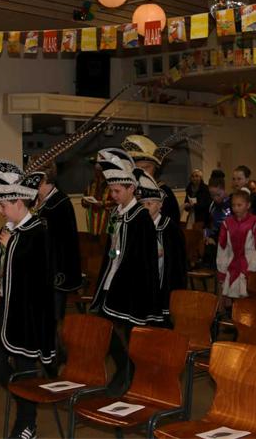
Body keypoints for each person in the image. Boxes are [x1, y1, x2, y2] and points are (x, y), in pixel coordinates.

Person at [0, 160, 56, 439]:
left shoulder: (38, 230)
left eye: (3, 205)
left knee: (25, 365)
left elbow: (39, 274)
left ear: (19, 202)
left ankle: (27, 423)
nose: (0, 210)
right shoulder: (10, 230)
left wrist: (13, 247)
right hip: (2, 307)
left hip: (26, 313)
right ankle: (25, 399)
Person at [90, 148, 162, 395]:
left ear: (132, 188)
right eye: (111, 191)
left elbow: (144, 259)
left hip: (133, 284)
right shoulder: (116, 213)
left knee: (133, 333)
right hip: (112, 279)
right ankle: (123, 367)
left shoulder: (141, 218)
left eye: (117, 191)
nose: (113, 195)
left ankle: (133, 377)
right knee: (103, 326)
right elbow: (112, 249)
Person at [32, 162, 82, 362]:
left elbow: (65, 243)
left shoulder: (61, 203)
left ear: (44, 178)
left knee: (53, 318)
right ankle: (47, 354)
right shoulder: (37, 201)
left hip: (56, 271)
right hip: (40, 270)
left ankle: (55, 359)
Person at [137, 169, 187, 318]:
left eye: (150, 203)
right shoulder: (140, 226)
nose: (146, 207)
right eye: (142, 204)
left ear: (160, 205)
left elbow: (177, 259)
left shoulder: (169, 227)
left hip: (165, 279)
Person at [216, 189, 256, 299]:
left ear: (248, 205)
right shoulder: (227, 223)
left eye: (239, 205)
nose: (236, 208)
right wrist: (222, 270)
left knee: (249, 301)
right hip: (232, 267)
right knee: (233, 301)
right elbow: (222, 248)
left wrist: (252, 268)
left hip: (250, 267)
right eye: (233, 205)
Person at [121, 134, 180, 223]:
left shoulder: (164, 192)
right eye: (138, 168)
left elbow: (172, 222)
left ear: (155, 168)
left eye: (146, 167)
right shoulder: (128, 190)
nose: (142, 171)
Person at [204, 172, 231, 268]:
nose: (215, 198)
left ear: (224, 189)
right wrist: (208, 236)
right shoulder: (212, 205)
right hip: (215, 240)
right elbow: (208, 224)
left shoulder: (231, 204)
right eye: (212, 195)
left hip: (230, 241)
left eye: (218, 195)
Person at [81, 161, 114, 236]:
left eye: (99, 170)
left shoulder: (111, 184)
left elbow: (116, 201)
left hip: (106, 217)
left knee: (105, 238)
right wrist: (86, 201)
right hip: (92, 218)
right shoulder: (91, 183)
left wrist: (102, 203)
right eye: (96, 170)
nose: (97, 172)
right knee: (92, 239)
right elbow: (84, 199)